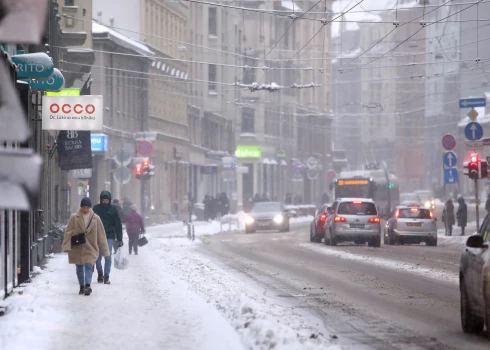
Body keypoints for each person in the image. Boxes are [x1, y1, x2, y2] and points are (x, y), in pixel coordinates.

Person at [62, 197, 109, 296]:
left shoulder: (96, 218)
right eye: (83, 207)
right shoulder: (74, 217)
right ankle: (81, 286)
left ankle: (87, 285)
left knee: (89, 265)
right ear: (81, 207)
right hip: (77, 246)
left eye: (87, 207)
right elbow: (68, 232)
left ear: (90, 208)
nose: (85, 209)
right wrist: (66, 245)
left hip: (91, 246)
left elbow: (101, 234)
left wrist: (105, 251)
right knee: (79, 267)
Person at [92, 191, 123, 284]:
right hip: (97, 236)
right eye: (103, 200)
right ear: (101, 200)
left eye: (106, 200)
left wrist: (119, 238)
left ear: (109, 200)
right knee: (97, 257)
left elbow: (118, 224)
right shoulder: (96, 209)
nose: (105, 202)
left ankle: (106, 276)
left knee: (108, 256)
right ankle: (100, 272)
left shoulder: (113, 210)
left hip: (109, 235)